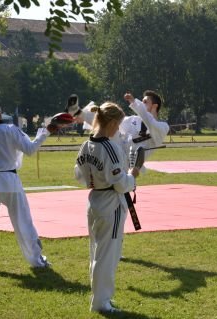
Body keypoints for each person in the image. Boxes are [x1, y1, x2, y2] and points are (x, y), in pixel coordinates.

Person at [0, 100, 58, 269]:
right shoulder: (11, 130)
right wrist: (44, 133)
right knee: (23, 221)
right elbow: (29, 149)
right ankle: (37, 261)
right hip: (10, 180)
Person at [74, 102, 140, 313]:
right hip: (111, 203)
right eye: (118, 125)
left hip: (94, 200)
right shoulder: (110, 148)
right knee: (107, 255)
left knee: (97, 251)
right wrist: (133, 175)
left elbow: (78, 174)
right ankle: (101, 302)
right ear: (111, 122)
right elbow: (121, 183)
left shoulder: (86, 145)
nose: (118, 129)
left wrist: (95, 180)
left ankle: (100, 297)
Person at [119, 90, 170, 170]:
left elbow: (149, 121)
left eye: (145, 102)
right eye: (142, 102)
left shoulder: (163, 127)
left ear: (154, 106)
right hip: (118, 162)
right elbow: (114, 121)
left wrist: (134, 102)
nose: (142, 104)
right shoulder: (133, 119)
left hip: (132, 168)